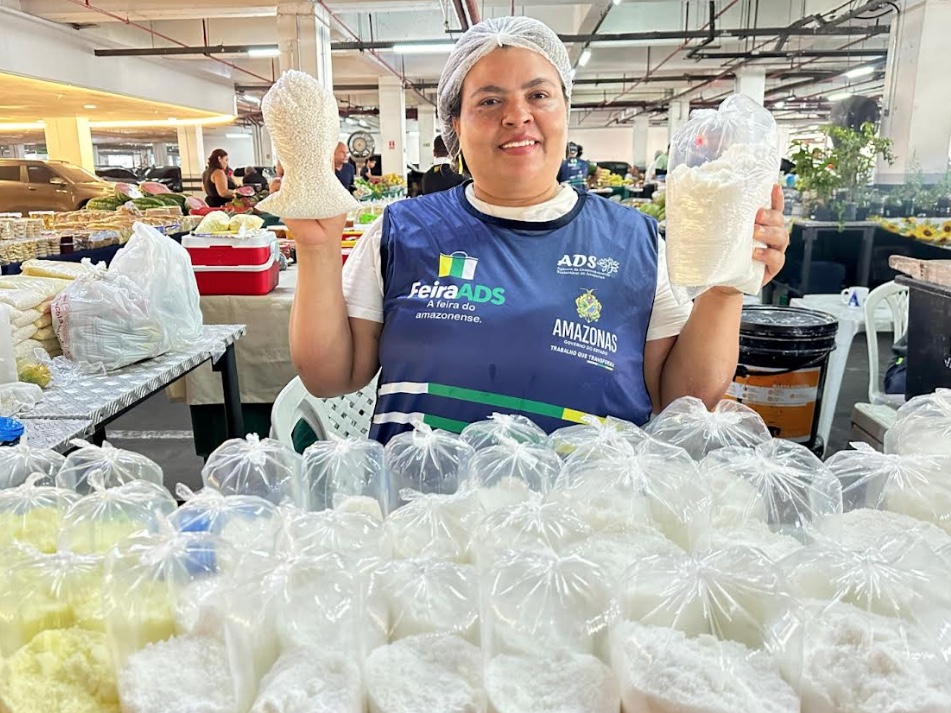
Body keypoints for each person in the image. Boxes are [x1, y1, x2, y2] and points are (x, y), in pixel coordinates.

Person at [284, 16, 789, 446]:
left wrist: (726, 289)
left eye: (538, 95)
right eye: (489, 101)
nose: (517, 116)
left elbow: (683, 400)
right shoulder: (401, 232)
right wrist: (316, 246)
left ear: (565, 111)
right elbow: (329, 378)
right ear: (454, 125)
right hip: (426, 510)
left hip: (586, 512)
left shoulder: (634, 241)